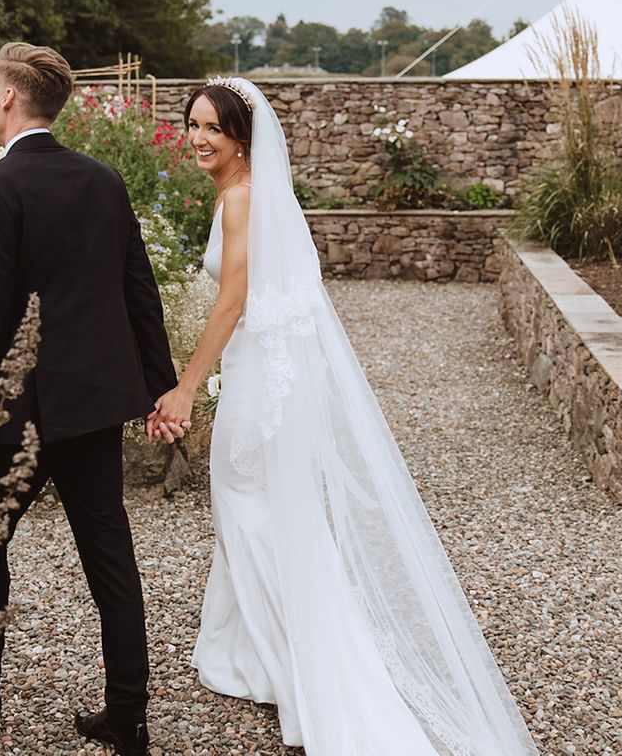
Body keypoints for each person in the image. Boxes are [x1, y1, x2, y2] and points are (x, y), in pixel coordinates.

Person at [148, 77, 539, 755]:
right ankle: (253, 653)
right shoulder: (256, 197)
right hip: (267, 371)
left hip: (259, 379)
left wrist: (185, 386)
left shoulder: (241, 200)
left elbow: (233, 302)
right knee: (265, 511)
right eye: (192, 125)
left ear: (243, 137)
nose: (199, 138)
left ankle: (303, 669)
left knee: (244, 508)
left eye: (213, 127)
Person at [0, 42, 181, 756]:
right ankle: (130, 715)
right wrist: (157, 386)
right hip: (91, 404)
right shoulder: (102, 180)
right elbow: (137, 289)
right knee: (109, 555)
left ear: (12, 99)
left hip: (15, 415)